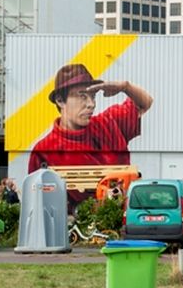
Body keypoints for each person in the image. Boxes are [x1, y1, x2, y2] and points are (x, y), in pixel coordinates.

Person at [27, 64, 153, 205]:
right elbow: (36, 200)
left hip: (121, 220)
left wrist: (125, 87)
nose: (91, 104)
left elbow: (145, 102)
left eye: (92, 96)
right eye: (82, 96)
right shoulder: (44, 151)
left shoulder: (110, 123)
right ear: (60, 100)